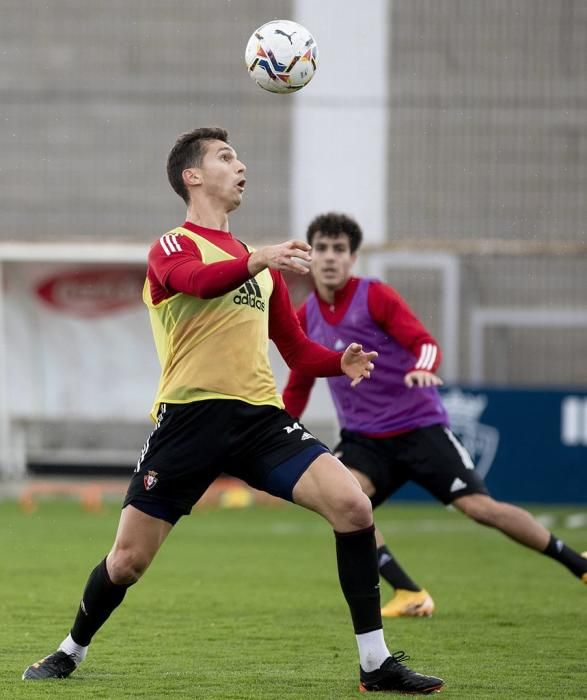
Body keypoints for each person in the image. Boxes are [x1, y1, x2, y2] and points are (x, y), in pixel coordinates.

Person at [22, 128, 444, 694]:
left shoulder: (263, 270)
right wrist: (258, 257)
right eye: (226, 157)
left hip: (259, 421)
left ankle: (375, 663)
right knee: (126, 562)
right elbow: (196, 282)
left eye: (239, 156)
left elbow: (295, 351)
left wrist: (336, 361)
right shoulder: (173, 247)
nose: (240, 165)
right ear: (191, 177)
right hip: (189, 421)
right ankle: (70, 650)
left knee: (352, 506)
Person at [282, 211, 587, 617]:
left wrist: (423, 367)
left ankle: (578, 564)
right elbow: (300, 379)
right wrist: (280, 426)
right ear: (311, 257)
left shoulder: (375, 296)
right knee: (343, 502)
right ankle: (409, 592)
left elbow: (423, 342)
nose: (330, 257)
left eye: (340, 249)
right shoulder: (305, 317)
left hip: (418, 428)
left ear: (353, 258)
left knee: (481, 509)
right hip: (363, 441)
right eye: (322, 248)